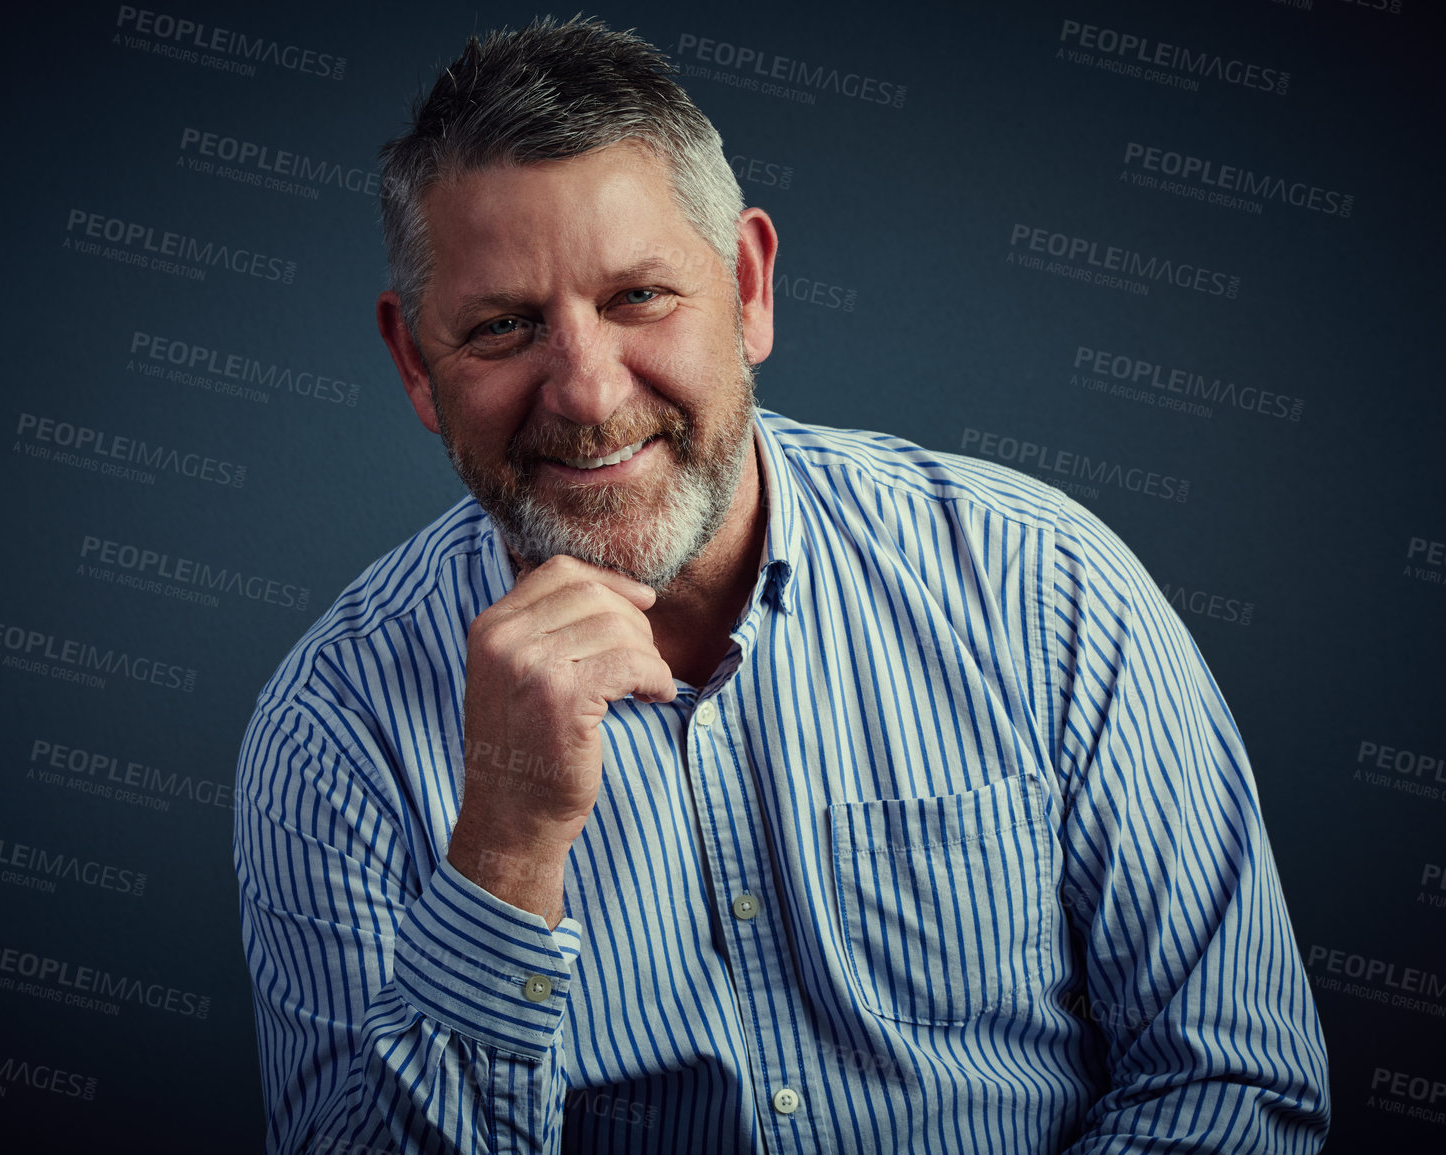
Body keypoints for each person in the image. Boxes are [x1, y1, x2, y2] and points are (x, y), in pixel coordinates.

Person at [234, 16, 1329, 1154]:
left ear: (748, 286)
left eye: (638, 298)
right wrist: (505, 852)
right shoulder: (333, 731)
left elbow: (1234, 1085)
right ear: (416, 363)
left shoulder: (1044, 589)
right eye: (504, 326)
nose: (589, 395)